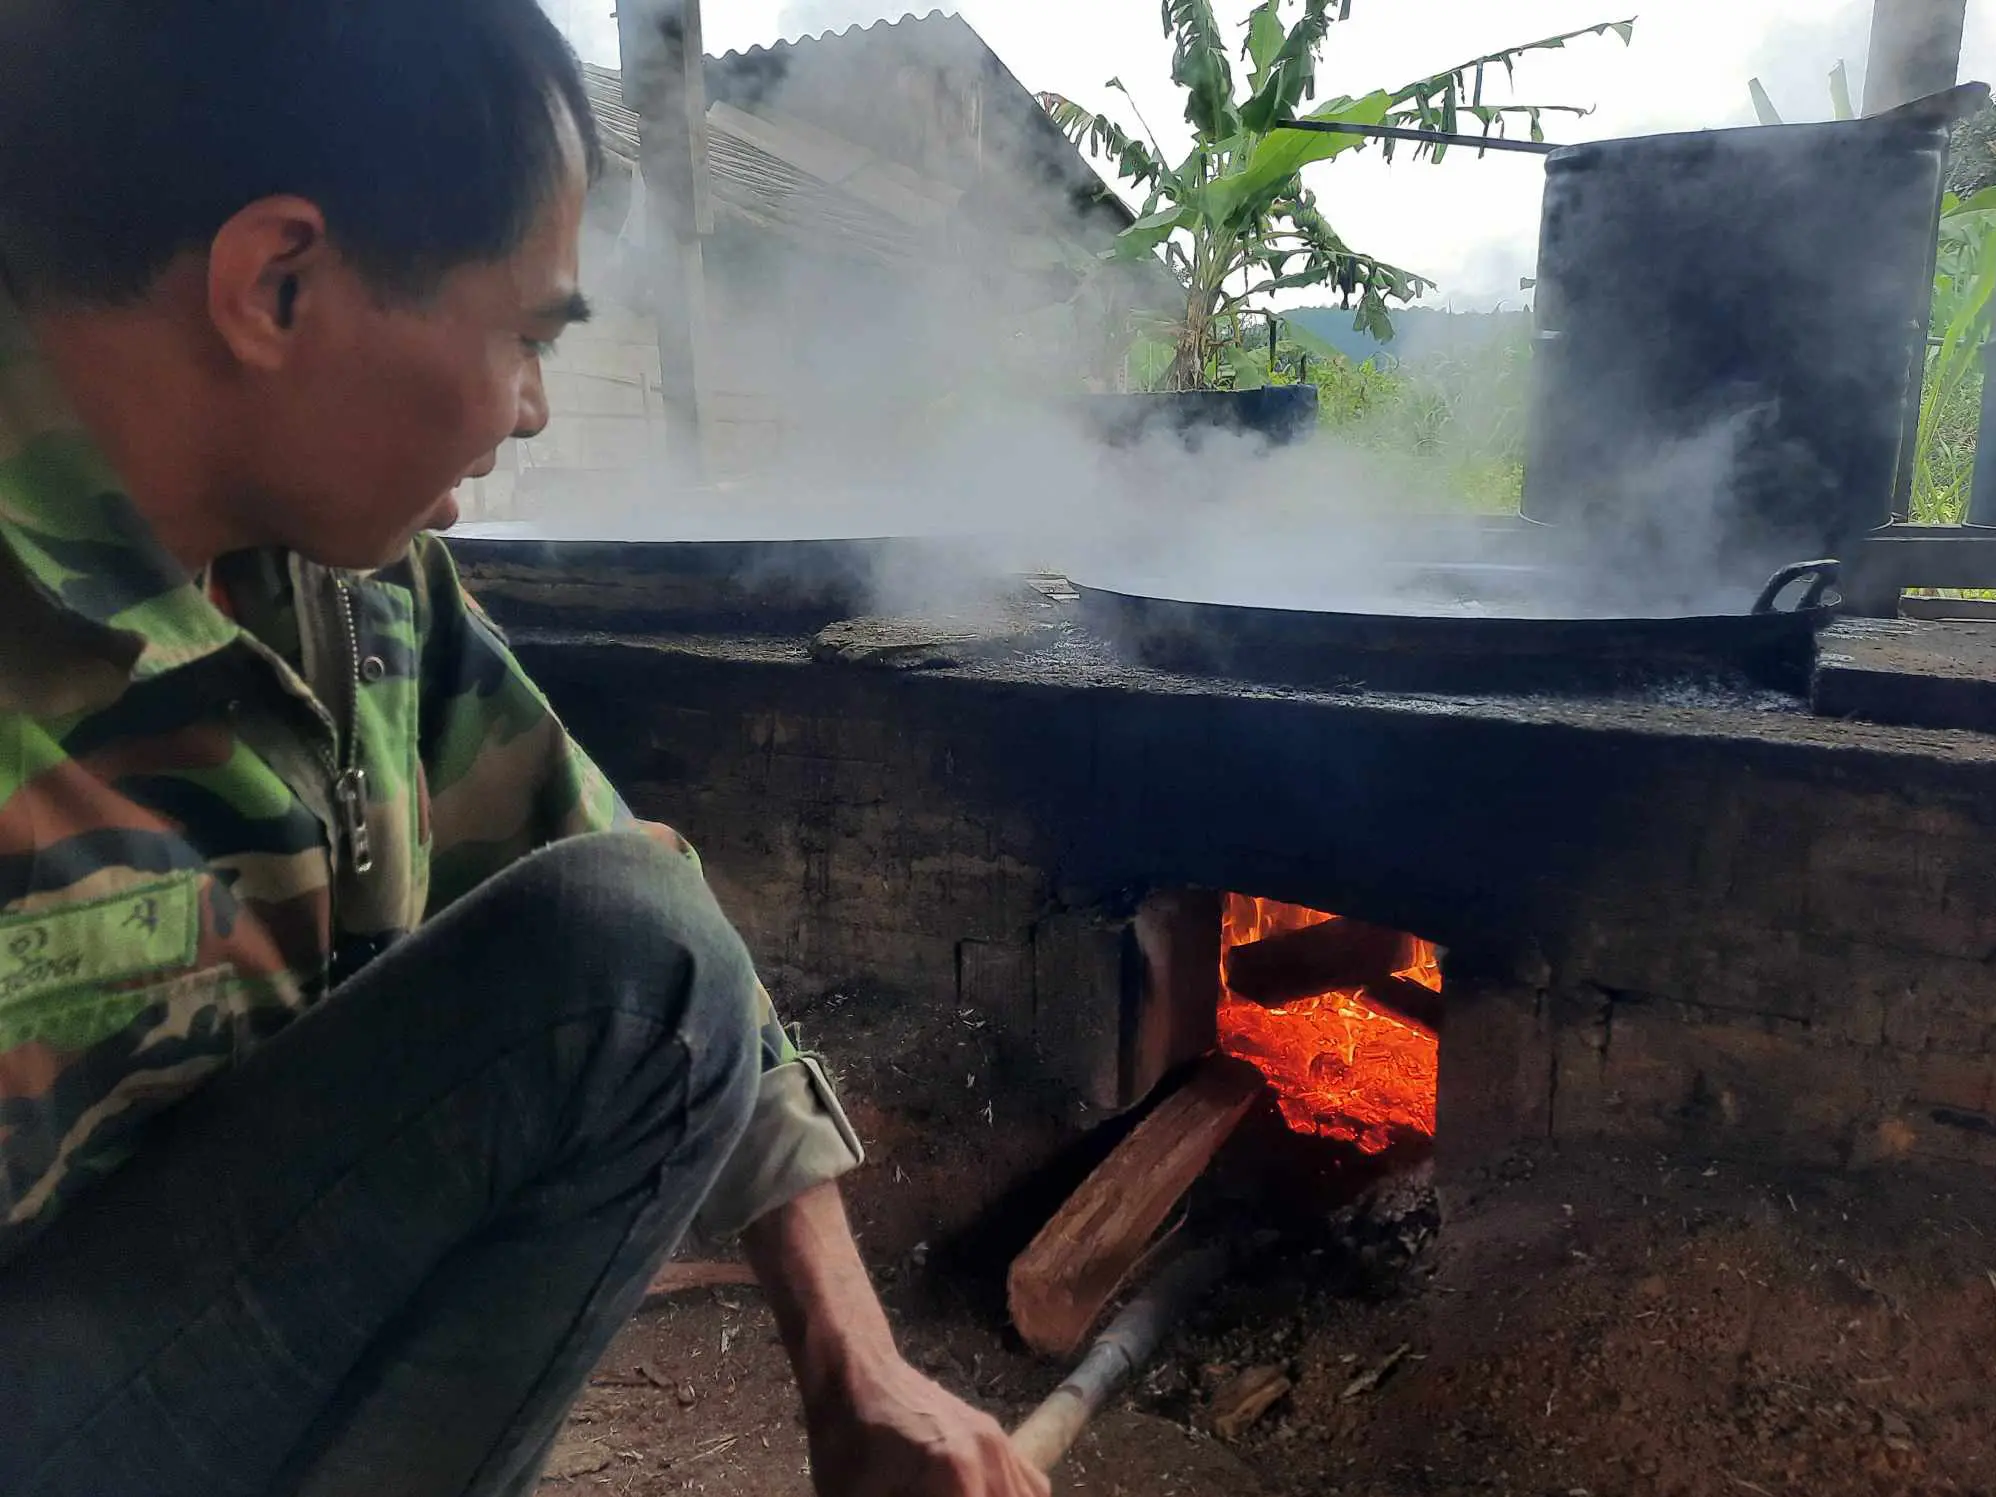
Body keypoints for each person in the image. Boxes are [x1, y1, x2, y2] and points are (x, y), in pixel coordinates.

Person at [0, 3, 1050, 1495]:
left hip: (183, 1348)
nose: (533, 410)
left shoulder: (351, 586)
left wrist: (855, 1364)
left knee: (631, 948)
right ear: (277, 283)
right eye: (523, 336)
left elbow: (643, 934)